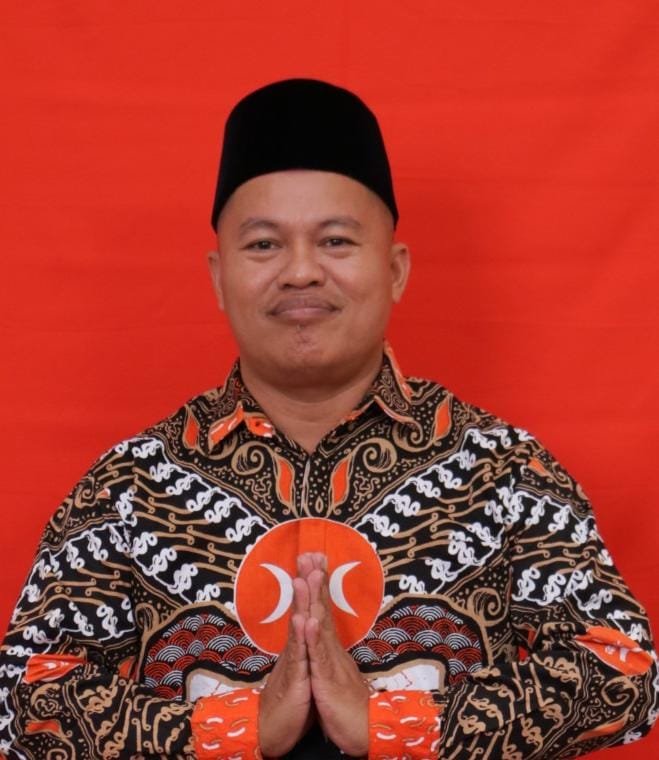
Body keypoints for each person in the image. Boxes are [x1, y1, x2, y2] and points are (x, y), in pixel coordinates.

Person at [0, 78, 656, 760]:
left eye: (336, 240)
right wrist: (240, 728)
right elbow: (21, 696)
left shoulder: (499, 469)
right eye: (263, 246)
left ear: (395, 270)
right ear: (218, 277)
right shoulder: (132, 485)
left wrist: (391, 724)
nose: (301, 272)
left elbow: (623, 670)